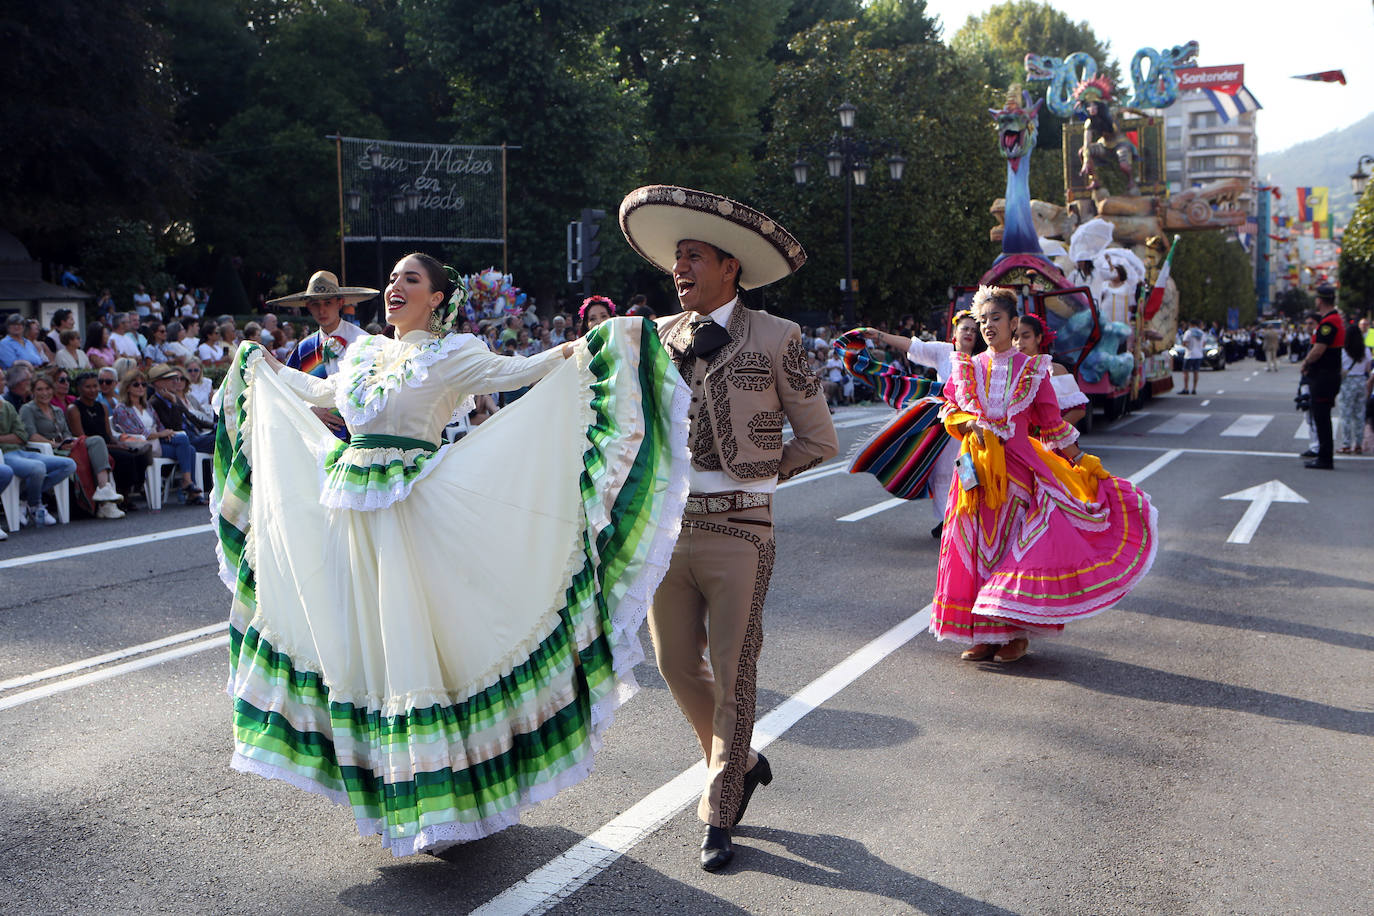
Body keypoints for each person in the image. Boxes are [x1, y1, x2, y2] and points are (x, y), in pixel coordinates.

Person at [213, 251, 689, 857]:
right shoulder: (362, 353)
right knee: (372, 654)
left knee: (429, 648)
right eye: (391, 279)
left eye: (410, 280)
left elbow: (515, 372)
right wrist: (269, 370)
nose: (394, 287)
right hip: (353, 518)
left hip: (418, 513)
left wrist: (581, 349)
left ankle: (449, 796)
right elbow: (327, 394)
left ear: (437, 298)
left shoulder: (452, 351)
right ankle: (396, 795)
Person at [619, 185, 838, 872]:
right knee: (674, 663)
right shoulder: (656, 338)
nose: (679, 268)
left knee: (735, 670)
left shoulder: (778, 337)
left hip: (742, 532)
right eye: (676, 258)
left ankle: (719, 809)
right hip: (669, 528)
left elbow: (821, 440)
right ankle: (738, 760)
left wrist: (758, 481)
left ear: (729, 268)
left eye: (693, 257)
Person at [932, 286, 1157, 663]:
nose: (988, 326)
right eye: (983, 320)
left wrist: (1084, 463)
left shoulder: (1033, 369)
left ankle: (1015, 636)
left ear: (1014, 323)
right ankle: (986, 635)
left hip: (1020, 473)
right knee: (975, 552)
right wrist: (971, 424)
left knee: (1012, 552)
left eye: (996, 319)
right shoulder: (966, 368)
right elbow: (950, 413)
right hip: (975, 475)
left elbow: (1052, 426)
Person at [859, 309, 983, 537]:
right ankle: (947, 520)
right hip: (945, 425)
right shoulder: (944, 351)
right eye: (965, 328)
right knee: (944, 472)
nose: (969, 333)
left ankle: (969, 518)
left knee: (968, 470)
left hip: (971, 426)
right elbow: (915, 347)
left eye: (974, 330)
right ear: (955, 333)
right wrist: (880, 336)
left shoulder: (982, 359)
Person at [270, 270, 376, 440]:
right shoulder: (304, 348)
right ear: (308, 306)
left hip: (359, 435)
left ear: (340, 303)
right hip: (316, 435)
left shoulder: (364, 341)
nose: (322, 310)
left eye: (328, 303)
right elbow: (286, 388)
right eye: (315, 304)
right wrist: (309, 409)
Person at [20, 375, 124, 517]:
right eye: (40, 389)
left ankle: (104, 489)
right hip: (45, 450)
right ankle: (101, 503)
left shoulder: (56, 410)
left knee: (97, 441)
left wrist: (69, 442)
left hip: (64, 446)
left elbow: (67, 433)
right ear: (33, 391)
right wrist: (56, 444)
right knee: (88, 456)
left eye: (48, 389)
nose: (44, 393)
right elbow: (31, 436)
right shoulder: (28, 409)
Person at [110, 368, 205, 504]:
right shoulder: (122, 409)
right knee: (184, 440)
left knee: (190, 449)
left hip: (157, 442)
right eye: (136, 384)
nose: (141, 387)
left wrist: (165, 432)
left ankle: (189, 487)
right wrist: (161, 434)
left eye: (143, 384)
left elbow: (159, 424)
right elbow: (134, 432)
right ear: (127, 387)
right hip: (142, 446)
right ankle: (188, 484)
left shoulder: (147, 405)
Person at [68, 372, 150, 506]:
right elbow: (82, 438)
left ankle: (126, 492)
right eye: (88, 387)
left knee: (138, 453)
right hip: (91, 448)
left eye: (95, 386)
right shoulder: (74, 409)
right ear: (79, 389)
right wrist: (115, 447)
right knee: (124, 457)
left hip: (107, 444)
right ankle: (120, 495)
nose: (93, 390)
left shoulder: (103, 407)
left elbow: (109, 434)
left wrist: (119, 444)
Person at [0, 394, 76, 528]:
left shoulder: (7, 406)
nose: (2, 383)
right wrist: (12, 437)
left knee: (68, 465)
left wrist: (8, 437)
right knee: (38, 468)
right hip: (5, 455)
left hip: (22, 451)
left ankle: (25, 497)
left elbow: (22, 435)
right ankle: (35, 505)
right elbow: (17, 435)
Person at [1013, 313, 1087, 427]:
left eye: (1026, 336)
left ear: (1038, 338)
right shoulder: (1007, 371)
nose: (1019, 342)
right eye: (1015, 337)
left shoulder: (1055, 370)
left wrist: (1053, 431)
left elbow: (1079, 410)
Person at [1298, 287, 1344, 469]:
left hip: (1324, 376)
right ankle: (1324, 456)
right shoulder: (1333, 319)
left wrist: (1306, 362)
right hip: (1328, 375)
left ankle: (1325, 458)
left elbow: (1318, 349)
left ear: (1320, 300)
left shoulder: (1328, 322)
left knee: (1321, 417)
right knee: (1321, 416)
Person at [1336, 321, 1370, 454]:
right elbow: (1368, 367)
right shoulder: (1365, 350)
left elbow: (1338, 368)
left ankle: (1346, 444)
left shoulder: (1343, 350)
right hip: (1362, 381)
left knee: (1346, 415)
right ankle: (1358, 445)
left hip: (1348, 382)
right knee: (1359, 415)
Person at [1179, 318, 1205, 395]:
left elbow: (1184, 343)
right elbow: (1204, 344)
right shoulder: (1202, 333)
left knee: (1186, 372)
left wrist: (1188, 347)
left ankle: (1186, 388)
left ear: (1191, 325)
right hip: (1199, 355)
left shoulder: (1188, 332)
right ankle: (1194, 389)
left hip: (1189, 355)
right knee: (1196, 372)